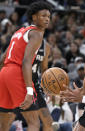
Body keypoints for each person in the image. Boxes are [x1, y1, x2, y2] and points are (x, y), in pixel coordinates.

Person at [0, 1, 51, 131]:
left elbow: (3, 58)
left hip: (5, 72)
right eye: (43, 16)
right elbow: (26, 61)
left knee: (4, 123)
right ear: (34, 17)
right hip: (17, 74)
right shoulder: (37, 33)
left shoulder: (20, 31)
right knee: (33, 122)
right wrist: (29, 91)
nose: (47, 19)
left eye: (48, 17)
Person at [32, 40, 53, 131]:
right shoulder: (23, 39)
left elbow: (44, 69)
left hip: (34, 84)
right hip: (19, 82)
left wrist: (47, 88)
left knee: (48, 122)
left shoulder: (46, 46)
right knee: (33, 123)